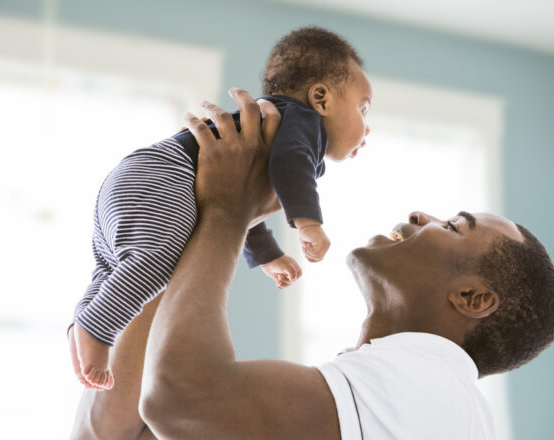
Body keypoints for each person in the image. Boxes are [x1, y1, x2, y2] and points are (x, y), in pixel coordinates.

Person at [68, 89, 554, 439]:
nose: (420, 214)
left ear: (473, 299)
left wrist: (227, 209)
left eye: (455, 226)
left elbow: (181, 397)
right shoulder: (392, 393)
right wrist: (189, 214)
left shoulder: (428, 389)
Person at [69, 26, 373, 390]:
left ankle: (81, 323)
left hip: (140, 174)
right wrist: (308, 224)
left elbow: (246, 198)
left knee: (111, 265)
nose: (367, 128)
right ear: (321, 98)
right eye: (363, 109)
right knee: (154, 262)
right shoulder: (304, 125)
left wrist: (267, 255)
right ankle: (97, 330)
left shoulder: (273, 124)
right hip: (168, 175)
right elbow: (291, 164)